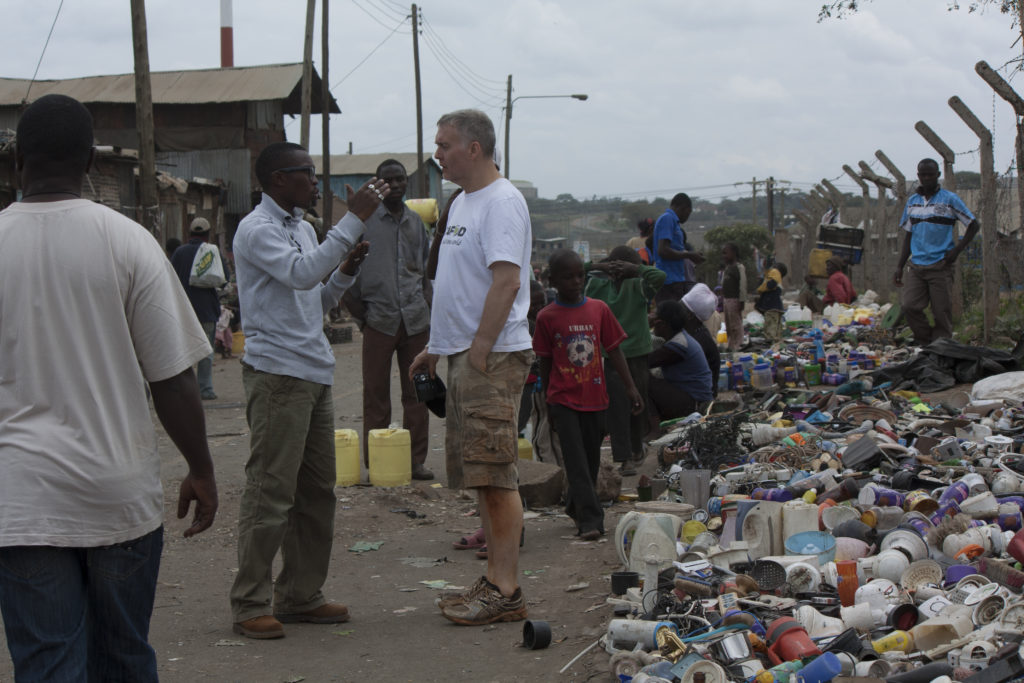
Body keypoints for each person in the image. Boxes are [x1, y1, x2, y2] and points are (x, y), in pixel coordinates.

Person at [0, 94, 218, 681]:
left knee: (47, 665)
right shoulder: (128, 242)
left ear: (17, 158)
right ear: (92, 161)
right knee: (123, 657)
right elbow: (172, 378)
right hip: (115, 494)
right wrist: (201, 469)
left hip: (21, 504)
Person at [229, 141, 381, 639]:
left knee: (317, 492)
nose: (316, 183)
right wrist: (352, 221)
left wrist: (345, 271)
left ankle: (299, 594)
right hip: (277, 376)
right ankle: (251, 601)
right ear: (277, 179)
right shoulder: (256, 230)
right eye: (307, 174)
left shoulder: (302, 228)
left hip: (312, 371)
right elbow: (299, 274)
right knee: (271, 490)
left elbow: (313, 300)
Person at [410, 109, 533, 626]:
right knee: (480, 477)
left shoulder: (503, 202)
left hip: (494, 357)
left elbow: (505, 282)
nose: (437, 152)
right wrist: (437, 348)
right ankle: (494, 580)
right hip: (465, 356)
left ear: (475, 149)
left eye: (444, 144)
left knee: (497, 475)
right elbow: (457, 287)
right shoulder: (462, 201)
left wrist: (480, 350)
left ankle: (506, 590)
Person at [535, 249, 643, 540]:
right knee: (576, 462)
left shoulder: (599, 309)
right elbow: (545, 361)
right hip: (563, 399)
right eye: (567, 277)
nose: (575, 281)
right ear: (553, 280)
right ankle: (592, 521)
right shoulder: (547, 317)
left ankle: (575, 505)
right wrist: (548, 402)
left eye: (579, 275)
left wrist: (630, 386)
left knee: (591, 461)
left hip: (596, 398)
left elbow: (615, 350)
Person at [343, 158, 434, 480]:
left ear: (406, 183)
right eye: (388, 181)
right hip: (378, 320)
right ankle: (377, 463)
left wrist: (427, 301)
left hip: (416, 321)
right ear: (376, 184)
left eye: (399, 180)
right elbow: (340, 269)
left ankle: (415, 462)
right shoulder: (361, 222)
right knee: (376, 394)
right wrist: (360, 315)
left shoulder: (415, 222)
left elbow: (427, 270)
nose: (395, 186)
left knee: (421, 391)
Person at [584, 245, 665, 475]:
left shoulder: (637, 285)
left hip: (633, 353)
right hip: (614, 354)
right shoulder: (600, 285)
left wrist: (633, 268)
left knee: (634, 404)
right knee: (621, 406)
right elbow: (581, 270)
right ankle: (627, 457)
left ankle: (634, 451)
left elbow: (660, 276)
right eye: (615, 268)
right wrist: (610, 266)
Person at [894, 158, 980, 344]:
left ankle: (941, 345)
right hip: (916, 265)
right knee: (909, 305)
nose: (926, 178)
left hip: (940, 264)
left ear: (938, 175)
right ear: (918, 176)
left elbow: (973, 225)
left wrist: (957, 250)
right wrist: (900, 265)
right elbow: (908, 236)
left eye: (930, 174)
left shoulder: (949, 200)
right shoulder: (912, 203)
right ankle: (925, 340)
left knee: (941, 310)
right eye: (922, 174)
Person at [171, 217, 230, 400]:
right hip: (206, 309)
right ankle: (205, 389)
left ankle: (182, 390)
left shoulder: (179, 253)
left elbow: (169, 277)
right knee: (206, 350)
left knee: (182, 350)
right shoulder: (212, 252)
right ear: (207, 234)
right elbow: (225, 278)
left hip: (183, 309)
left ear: (190, 234)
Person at [648, 300, 714, 421]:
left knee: (646, 381)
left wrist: (642, 327)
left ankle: (654, 428)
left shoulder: (679, 345)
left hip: (695, 402)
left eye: (654, 320)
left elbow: (646, 362)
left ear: (661, 324)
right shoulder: (679, 337)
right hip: (692, 397)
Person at [653, 193, 704, 302]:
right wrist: (689, 255)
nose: (687, 217)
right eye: (688, 213)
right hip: (668, 281)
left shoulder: (673, 221)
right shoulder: (667, 219)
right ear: (682, 208)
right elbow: (663, 250)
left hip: (675, 279)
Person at [681, 283, 721, 397]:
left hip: (700, 399)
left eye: (680, 308)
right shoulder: (696, 333)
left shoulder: (698, 340)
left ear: (689, 315)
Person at [720, 243, 746, 351]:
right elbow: (723, 283)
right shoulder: (728, 268)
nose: (724, 256)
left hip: (734, 299)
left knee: (735, 324)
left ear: (734, 253)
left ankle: (738, 344)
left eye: (726, 253)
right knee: (729, 324)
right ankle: (731, 345)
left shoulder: (739, 267)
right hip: (727, 299)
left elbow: (743, 284)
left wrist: (742, 300)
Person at [755, 261, 787, 342]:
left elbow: (770, 284)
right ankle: (776, 346)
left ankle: (771, 346)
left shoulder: (775, 273)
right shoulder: (778, 280)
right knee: (777, 330)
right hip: (777, 308)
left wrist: (762, 287)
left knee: (770, 330)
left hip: (771, 308)